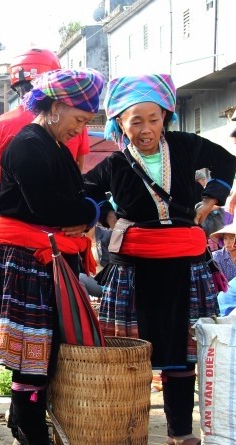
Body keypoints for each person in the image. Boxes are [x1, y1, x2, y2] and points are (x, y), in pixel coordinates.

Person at [83, 73, 236, 445]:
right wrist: (105, 217)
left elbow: (227, 162)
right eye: (136, 121)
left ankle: (181, 433)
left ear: (166, 117)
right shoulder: (115, 163)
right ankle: (126, 433)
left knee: (181, 358)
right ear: (120, 121)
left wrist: (211, 200)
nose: (146, 128)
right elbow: (85, 192)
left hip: (186, 267)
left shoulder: (185, 146)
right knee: (129, 359)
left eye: (154, 119)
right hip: (135, 272)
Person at [0, 68, 104, 445]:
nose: (81, 129)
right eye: (80, 119)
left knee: (45, 352)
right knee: (33, 354)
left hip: (46, 258)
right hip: (26, 260)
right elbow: (48, 207)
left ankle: (22, 420)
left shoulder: (54, 145)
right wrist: (87, 214)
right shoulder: (28, 144)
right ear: (57, 107)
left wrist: (85, 211)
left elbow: (73, 200)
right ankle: (30, 429)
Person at [0, 48, 91, 184]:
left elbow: (0, 180)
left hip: (17, 204)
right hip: (65, 201)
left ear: (16, 86)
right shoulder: (75, 122)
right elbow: (77, 170)